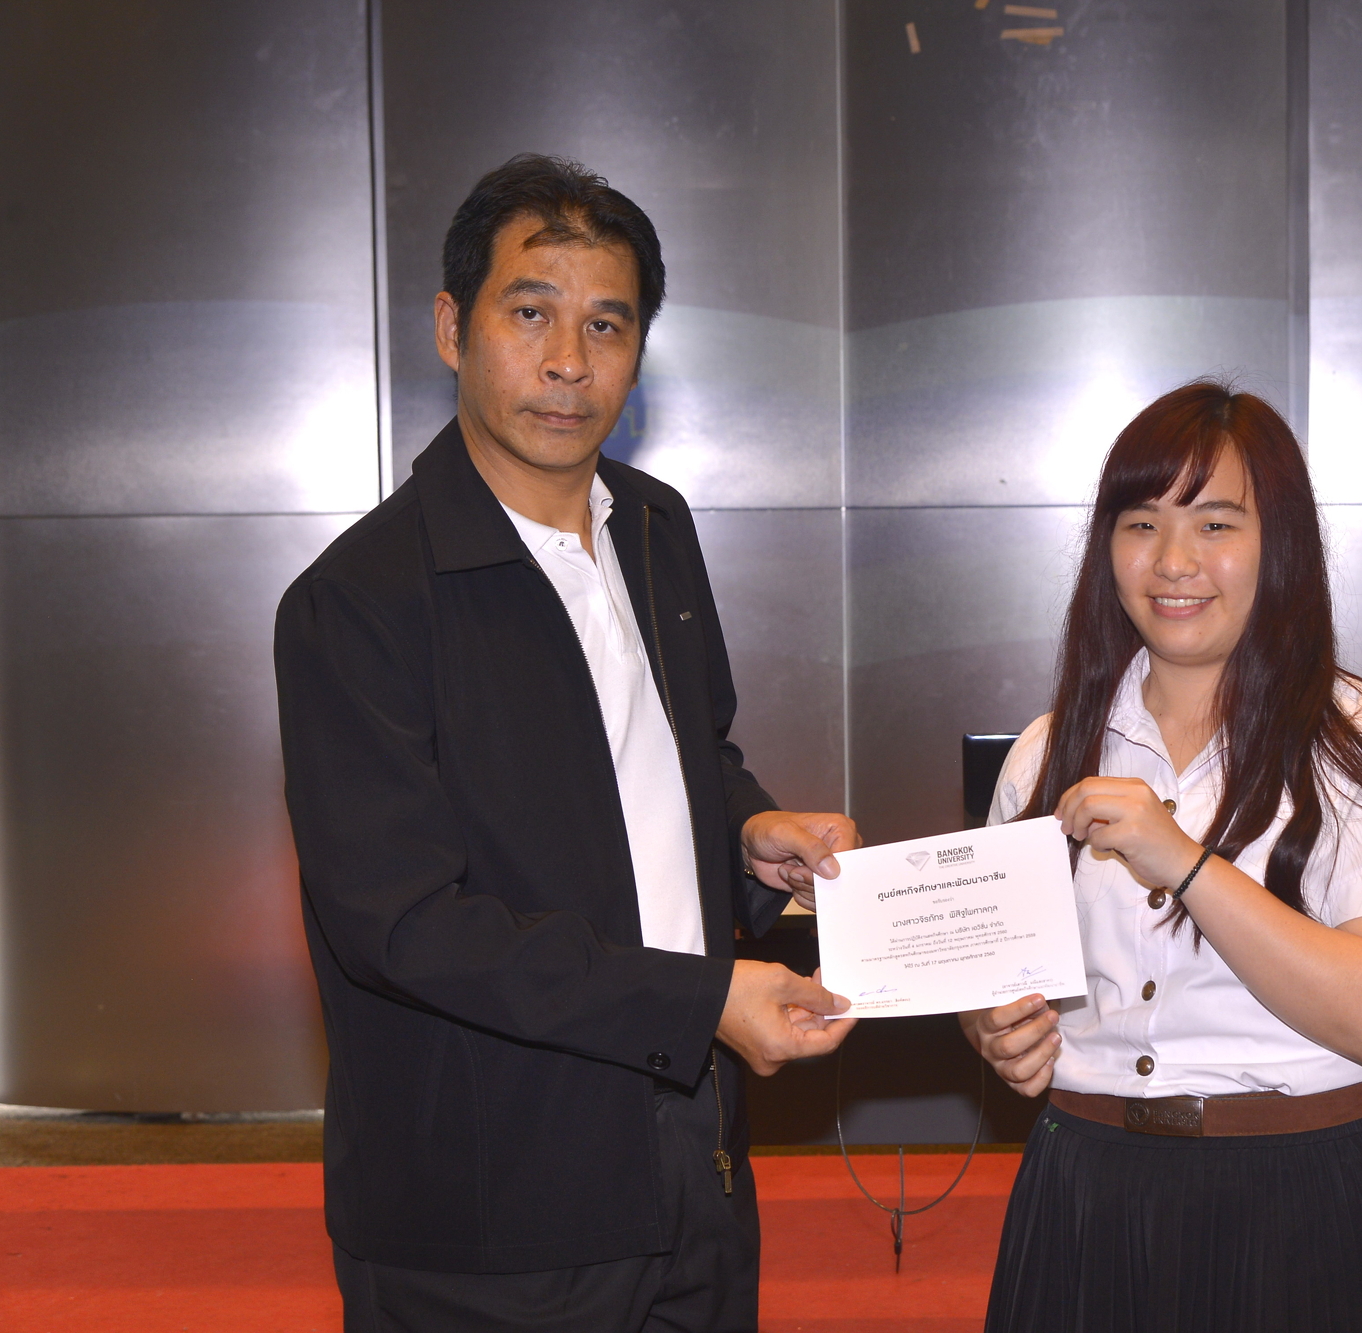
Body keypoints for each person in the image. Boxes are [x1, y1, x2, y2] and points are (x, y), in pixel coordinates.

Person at [275, 154, 857, 1332]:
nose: (567, 362)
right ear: (452, 327)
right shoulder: (359, 601)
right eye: (529, 313)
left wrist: (747, 834)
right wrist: (700, 998)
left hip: (691, 1155)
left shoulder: (653, 527)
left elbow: (685, 754)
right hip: (487, 1212)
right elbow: (404, 924)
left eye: (607, 324)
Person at [960, 381, 1362, 1331]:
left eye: (1215, 524)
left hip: (1308, 1199)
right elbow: (997, 982)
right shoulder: (1046, 752)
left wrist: (1188, 864)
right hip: (1087, 1191)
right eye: (1141, 524)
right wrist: (992, 1030)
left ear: (1280, 545)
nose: (1173, 561)